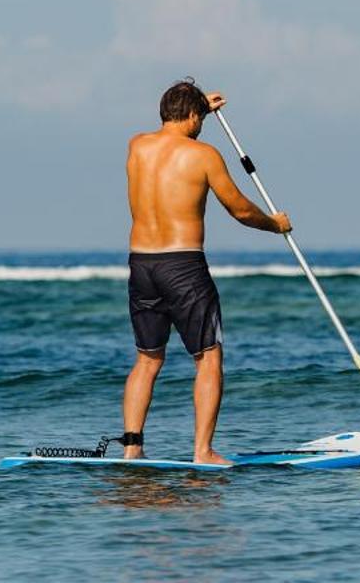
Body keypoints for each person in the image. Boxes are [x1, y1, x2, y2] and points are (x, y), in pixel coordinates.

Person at [122, 79, 291, 465]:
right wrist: (275, 224)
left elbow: (174, 131)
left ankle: (132, 448)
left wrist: (199, 109)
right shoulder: (203, 155)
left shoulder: (137, 145)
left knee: (147, 359)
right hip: (183, 265)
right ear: (195, 115)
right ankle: (203, 451)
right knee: (208, 356)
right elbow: (241, 210)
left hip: (141, 264)